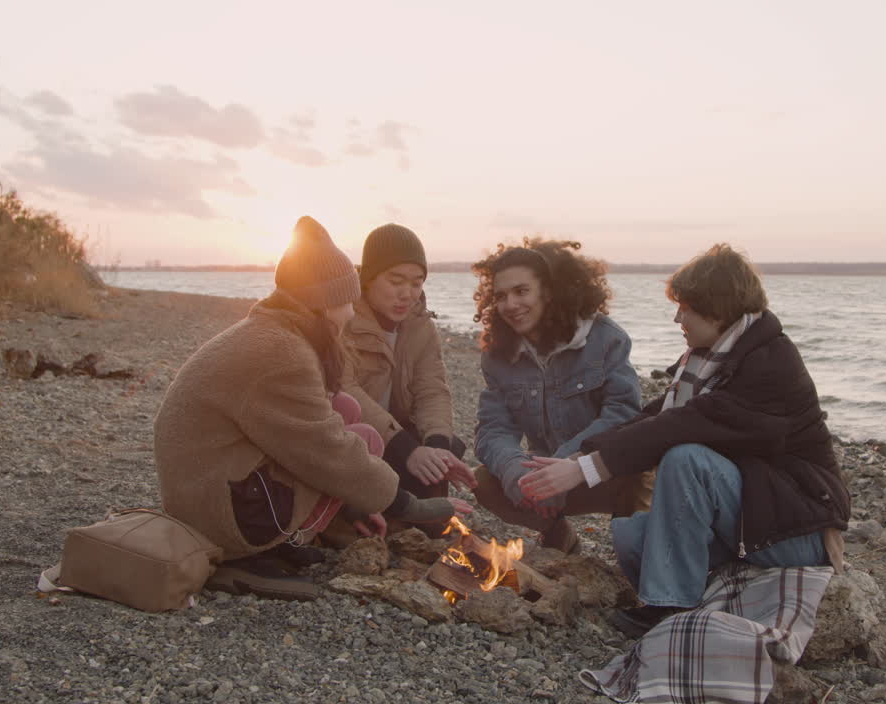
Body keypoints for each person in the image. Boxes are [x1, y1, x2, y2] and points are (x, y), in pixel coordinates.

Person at [519, 243, 850, 636]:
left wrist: (584, 470)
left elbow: (681, 426)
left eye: (686, 307)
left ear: (718, 307)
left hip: (798, 527)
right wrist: (576, 459)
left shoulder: (768, 364)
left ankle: (670, 606)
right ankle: (700, 584)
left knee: (686, 457)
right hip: (753, 514)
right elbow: (654, 417)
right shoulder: (710, 359)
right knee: (630, 538)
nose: (677, 317)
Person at [154, 216, 465, 601]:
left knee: (348, 416)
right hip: (219, 511)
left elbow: (426, 391)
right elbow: (325, 450)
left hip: (211, 485)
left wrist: (361, 500)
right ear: (321, 302)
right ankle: (242, 553)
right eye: (344, 301)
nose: (351, 314)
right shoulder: (282, 351)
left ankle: (277, 541)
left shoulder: (274, 331)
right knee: (348, 440)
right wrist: (409, 505)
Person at [471, 238, 650, 553]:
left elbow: (623, 415)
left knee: (644, 475)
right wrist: (516, 472)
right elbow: (493, 429)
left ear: (549, 291)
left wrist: (567, 464)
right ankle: (557, 532)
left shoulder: (605, 339)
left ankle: (633, 549)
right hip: (542, 482)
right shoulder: (498, 355)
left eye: (521, 291)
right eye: (501, 296)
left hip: (597, 469)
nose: (510, 304)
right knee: (484, 481)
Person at [338, 223, 477, 534]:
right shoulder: (344, 320)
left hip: (398, 437)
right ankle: (361, 513)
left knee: (448, 448)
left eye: (417, 283)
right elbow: (345, 390)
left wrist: (436, 445)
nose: (407, 294)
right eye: (396, 280)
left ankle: (406, 514)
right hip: (359, 440)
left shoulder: (420, 326)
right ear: (369, 279)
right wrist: (407, 449)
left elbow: (433, 389)